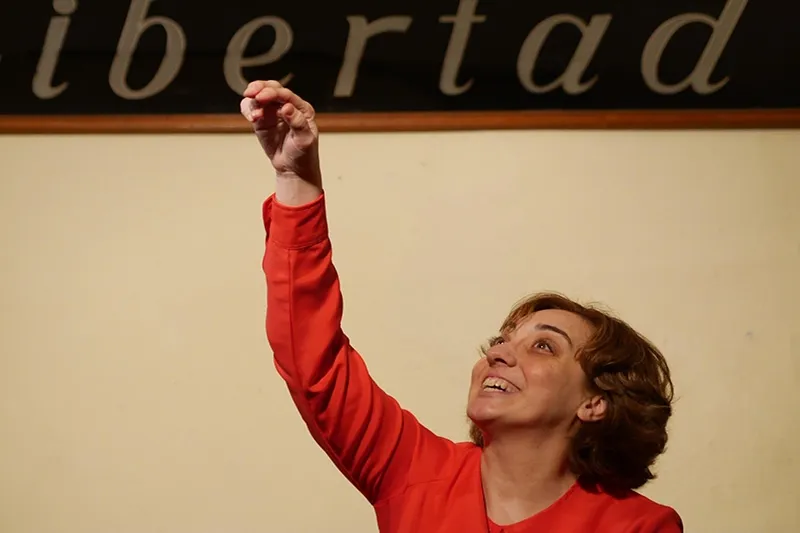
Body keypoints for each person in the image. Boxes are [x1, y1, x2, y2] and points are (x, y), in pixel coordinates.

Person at [240, 80, 684, 533]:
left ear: (595, 403)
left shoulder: (641, 526)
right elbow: (312, 358)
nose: (498, 353)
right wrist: (295, 179)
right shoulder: (413, 471)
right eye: (501, 341)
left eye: (544, 346)